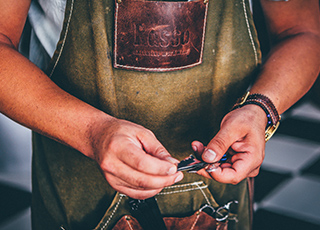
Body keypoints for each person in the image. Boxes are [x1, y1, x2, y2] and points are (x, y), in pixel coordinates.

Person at [0, 0, 319, 229]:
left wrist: (261, 107)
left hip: (223, 201)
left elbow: (303, 31)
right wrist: (91, 131)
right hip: (77, 195)